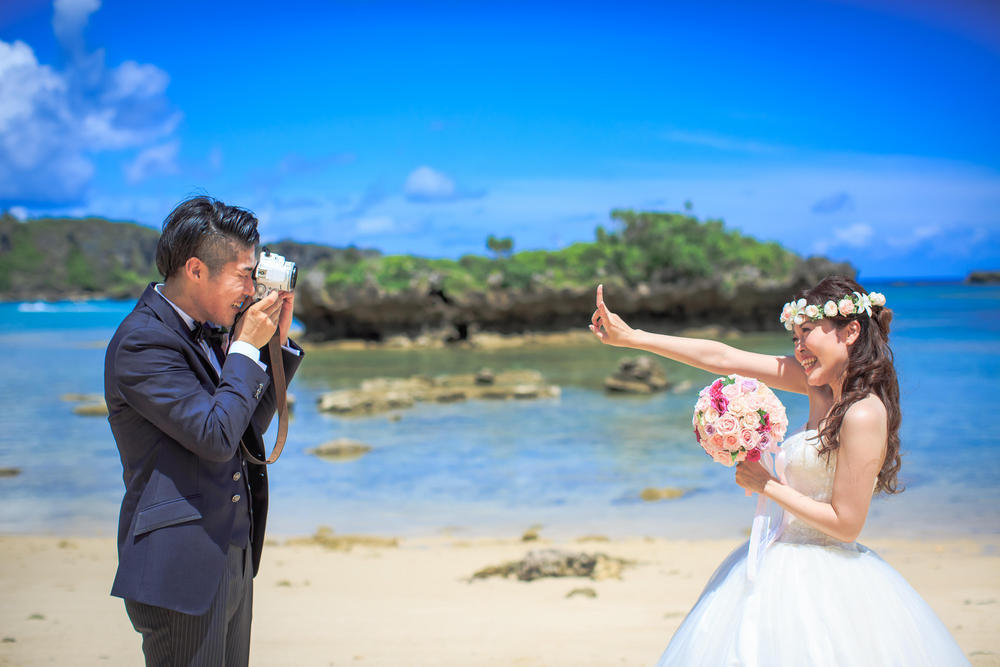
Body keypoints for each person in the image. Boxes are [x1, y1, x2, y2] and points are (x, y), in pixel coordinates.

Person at [590, 276, 968, 665]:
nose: (799, 349)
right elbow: (722, 357)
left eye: (807, 334)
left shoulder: (864, 412)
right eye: (794, 339)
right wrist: (634, 337)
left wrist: (767, 485)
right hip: (776, 557)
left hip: (827, 575)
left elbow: (847, 524)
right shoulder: (819, 388)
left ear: (851, 330)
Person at [104, 196, 304, 666]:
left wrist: (271, 347)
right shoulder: (142, 341)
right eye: (243, 273)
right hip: (179, 567)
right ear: (196, 270)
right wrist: (243, 351)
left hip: (230, 553)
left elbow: (244, 433)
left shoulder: (217, 331)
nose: (250, 287)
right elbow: (214, 438)